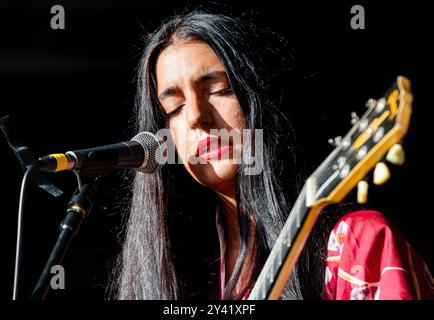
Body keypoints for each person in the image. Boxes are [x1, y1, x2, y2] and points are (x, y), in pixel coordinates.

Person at [107, 10, 433, 300]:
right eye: (174, 108)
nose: (195, 116)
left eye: (219, 89)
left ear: (263, 100)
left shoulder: (360, 244)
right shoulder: (175, 270)